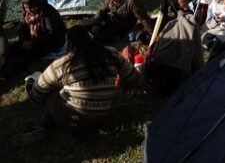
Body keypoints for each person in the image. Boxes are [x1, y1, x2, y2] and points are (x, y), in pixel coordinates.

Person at [13, 25, 145, 146]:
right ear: (90, 38)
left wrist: (32, 88)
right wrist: (142, 84)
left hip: (73, 121)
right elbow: (133, 76)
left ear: (69, 44)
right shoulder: (111, 53)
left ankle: (42, 127)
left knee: (51, 90)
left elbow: (37, 93)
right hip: (103, 115)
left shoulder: (63, 63)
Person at [0, 0, 67, 76]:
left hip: (47, 43)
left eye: (32, 7)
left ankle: (8, 71)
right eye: (26, 7)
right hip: (31, 42)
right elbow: (21, 29)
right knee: (12, 48)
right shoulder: (26, 14)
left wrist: (34, 44)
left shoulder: (48, 13)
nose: (29, 10)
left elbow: (52, 34)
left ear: (38, 4)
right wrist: (23, 42)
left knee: (26, 57)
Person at [88, 0, 153, 42]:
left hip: (125, 25)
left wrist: (152, 34)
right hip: (113, 19)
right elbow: (102, 9)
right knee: (91, 27)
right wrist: (96, 24)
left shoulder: (132, 2)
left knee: (102, 37)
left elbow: (144, 19)